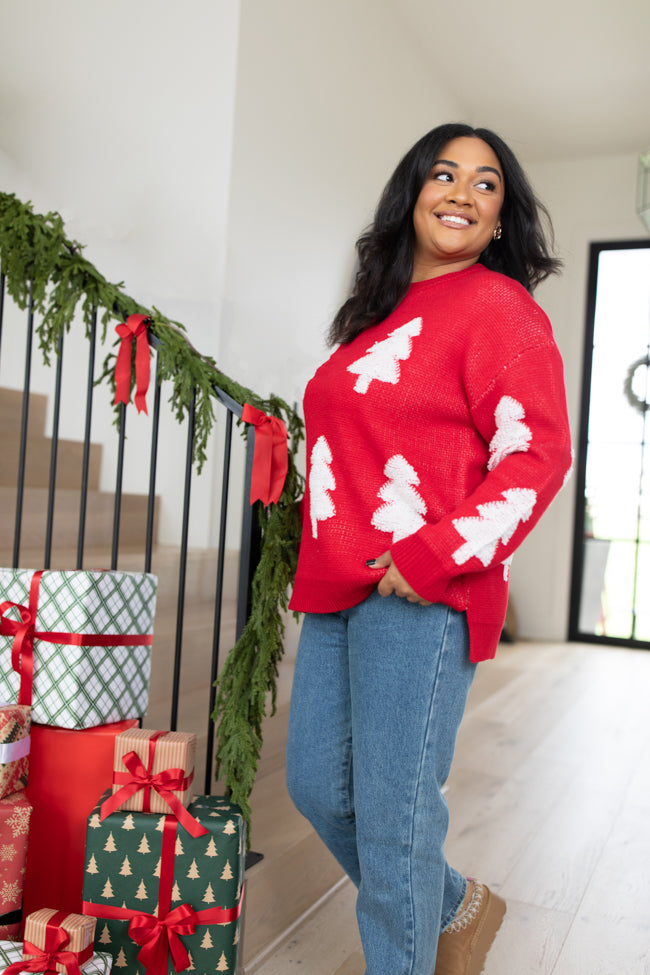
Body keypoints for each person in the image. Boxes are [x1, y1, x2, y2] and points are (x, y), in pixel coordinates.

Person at [285, 122, 572, 975]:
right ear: (412, 194)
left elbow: (538, 454)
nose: (461, 192)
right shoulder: (373, 315)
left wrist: (435, 553)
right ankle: (455, 906)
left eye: (485, 185)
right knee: (317, 789)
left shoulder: (499, 308)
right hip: (339, 581)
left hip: (424, 591)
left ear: (499, 219)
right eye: (443, 174)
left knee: (393, 813)